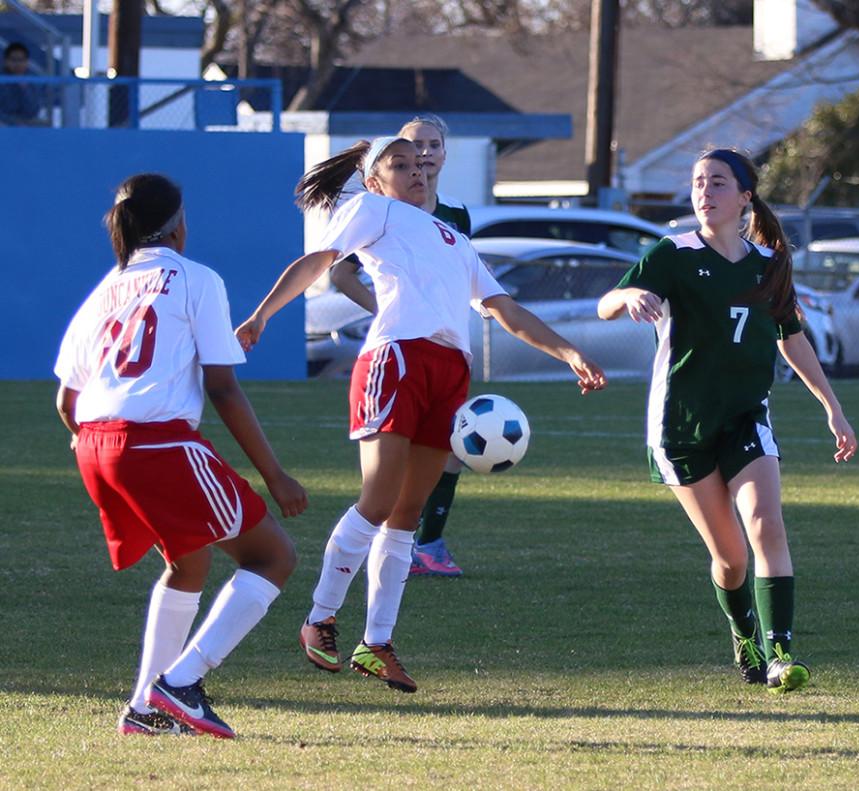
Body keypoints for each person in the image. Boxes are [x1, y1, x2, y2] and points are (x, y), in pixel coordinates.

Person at [236, 136, 606, 693]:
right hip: (397, 358)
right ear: (374, 180)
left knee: (407, 513)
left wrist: (570, 352)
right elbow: (320, 261)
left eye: (422, 163)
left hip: (450, 369)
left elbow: (505, 309)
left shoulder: (455, 237)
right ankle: (319, 618)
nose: (417, 171)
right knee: (378, 500)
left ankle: (377, 642)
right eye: (401, 164)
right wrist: (263, 314)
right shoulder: (372, 209)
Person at [54, 173, 308, 738]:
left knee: (188, 562)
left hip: (96, 444)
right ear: (177, 225)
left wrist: (89, 439)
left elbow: (65, 399)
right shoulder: (196, 279)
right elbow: (222, 388)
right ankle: (181, 683)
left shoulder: (108, 286)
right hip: (154, 441)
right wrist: (276, 475)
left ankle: (145, 710)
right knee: (273, 557)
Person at [597, 148, 857, 693]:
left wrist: (832, 407)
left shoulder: (768, 264)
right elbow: (605, 305)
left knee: (765, 523)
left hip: (746, 416)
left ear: (744, 197)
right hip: (681, 427)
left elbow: (791, 337)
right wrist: (630, 293)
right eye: (697, 182)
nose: (704, 191)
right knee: (731, 558)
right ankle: (745, 637)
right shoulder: (672, 253)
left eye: (717, 182)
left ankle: (781, 651)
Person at [331, 114, 470, 577]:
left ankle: (427, 543)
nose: (424, 156)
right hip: (399, 350)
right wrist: (388, 306)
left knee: (449, 454)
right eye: (413, 148)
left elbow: (462, 275)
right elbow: (337, 270)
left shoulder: (455, 215)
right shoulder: (379, 209)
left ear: (445, 155)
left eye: (433, 145)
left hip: (449, 349)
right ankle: (328, 603)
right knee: (383, 488)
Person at [0, 42, 41, 125]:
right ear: (6, 61)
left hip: (26, 124)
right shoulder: (2, 80)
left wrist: (24, 89)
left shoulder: (32, 81)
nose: (17, 64)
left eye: (21, 60)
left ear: (27, 62)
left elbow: (33, 111)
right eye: (14, 60)